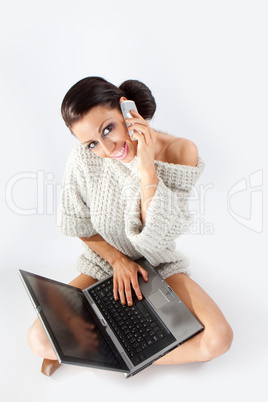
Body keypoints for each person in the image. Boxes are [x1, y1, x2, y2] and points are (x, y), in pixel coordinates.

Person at [27, 77, 233, 376]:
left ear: (127, 109)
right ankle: (122, 346)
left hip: (157, 263)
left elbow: (156, 238)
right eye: (92, 143)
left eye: (108, 128)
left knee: (218, 340)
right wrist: (118, 261)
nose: (108, 148)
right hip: (105, 262)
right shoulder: (84, 159)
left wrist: (146, 164)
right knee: (38, 339)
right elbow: (77, 223)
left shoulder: (180, 151)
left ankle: (102, 352)